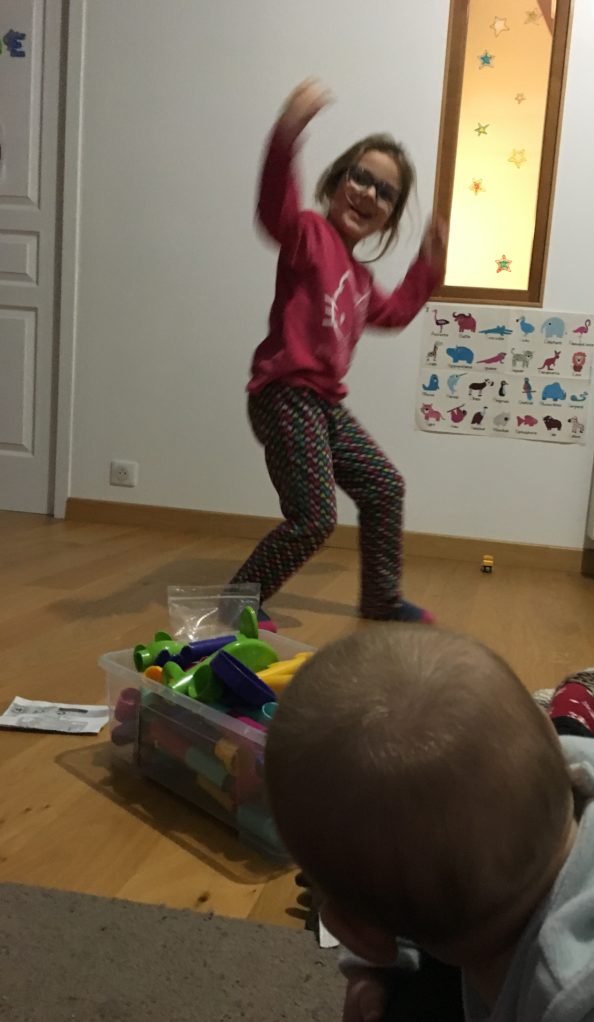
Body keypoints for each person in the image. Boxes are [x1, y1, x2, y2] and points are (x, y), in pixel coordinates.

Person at [265, 625, 594, 1022]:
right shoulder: (581, 773)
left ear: (354, 930)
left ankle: (581, 699)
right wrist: (371, 968)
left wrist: (372, 945)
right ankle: (578, 701)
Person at [230, 81, 447, 631]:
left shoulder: (361, 280)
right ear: (334, 183)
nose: (370, 194)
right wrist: (287, 136)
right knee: (314, 518)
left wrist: (428, 268)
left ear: (388, 219)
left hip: (323, 406)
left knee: (384, 487)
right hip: (284, 395)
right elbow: (275, 210)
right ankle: (239, 600)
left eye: (386, 193)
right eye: (361, 178)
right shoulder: (309, 235)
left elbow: (394, 313)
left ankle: (380, 598)